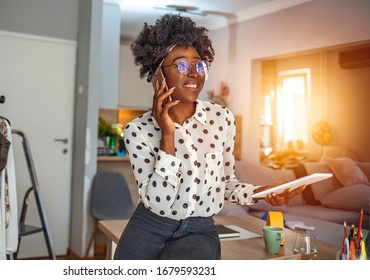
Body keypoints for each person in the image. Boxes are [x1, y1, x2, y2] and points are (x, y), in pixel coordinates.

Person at [113, 14, 305, 260]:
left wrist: (263, 192)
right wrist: (167, 135)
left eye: (199, 65)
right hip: (148, 229)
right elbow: (159, 204)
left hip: (198, 231)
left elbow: (225, 185)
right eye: (181, 65)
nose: (194, 74)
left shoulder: (221, 119)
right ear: (157, 75)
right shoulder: (137, 131)